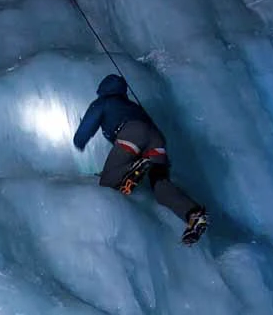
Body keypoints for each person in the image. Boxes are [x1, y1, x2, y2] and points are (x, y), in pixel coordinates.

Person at [72, 73, 210, 246]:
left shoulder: (104, 102)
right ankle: (194, 215)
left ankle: (133, 168)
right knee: (160, 186)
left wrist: (79, 141)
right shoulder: (133, 106)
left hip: (133, 133)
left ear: (103, 89)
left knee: (108, 180)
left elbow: (87, 127)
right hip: (157, 139)